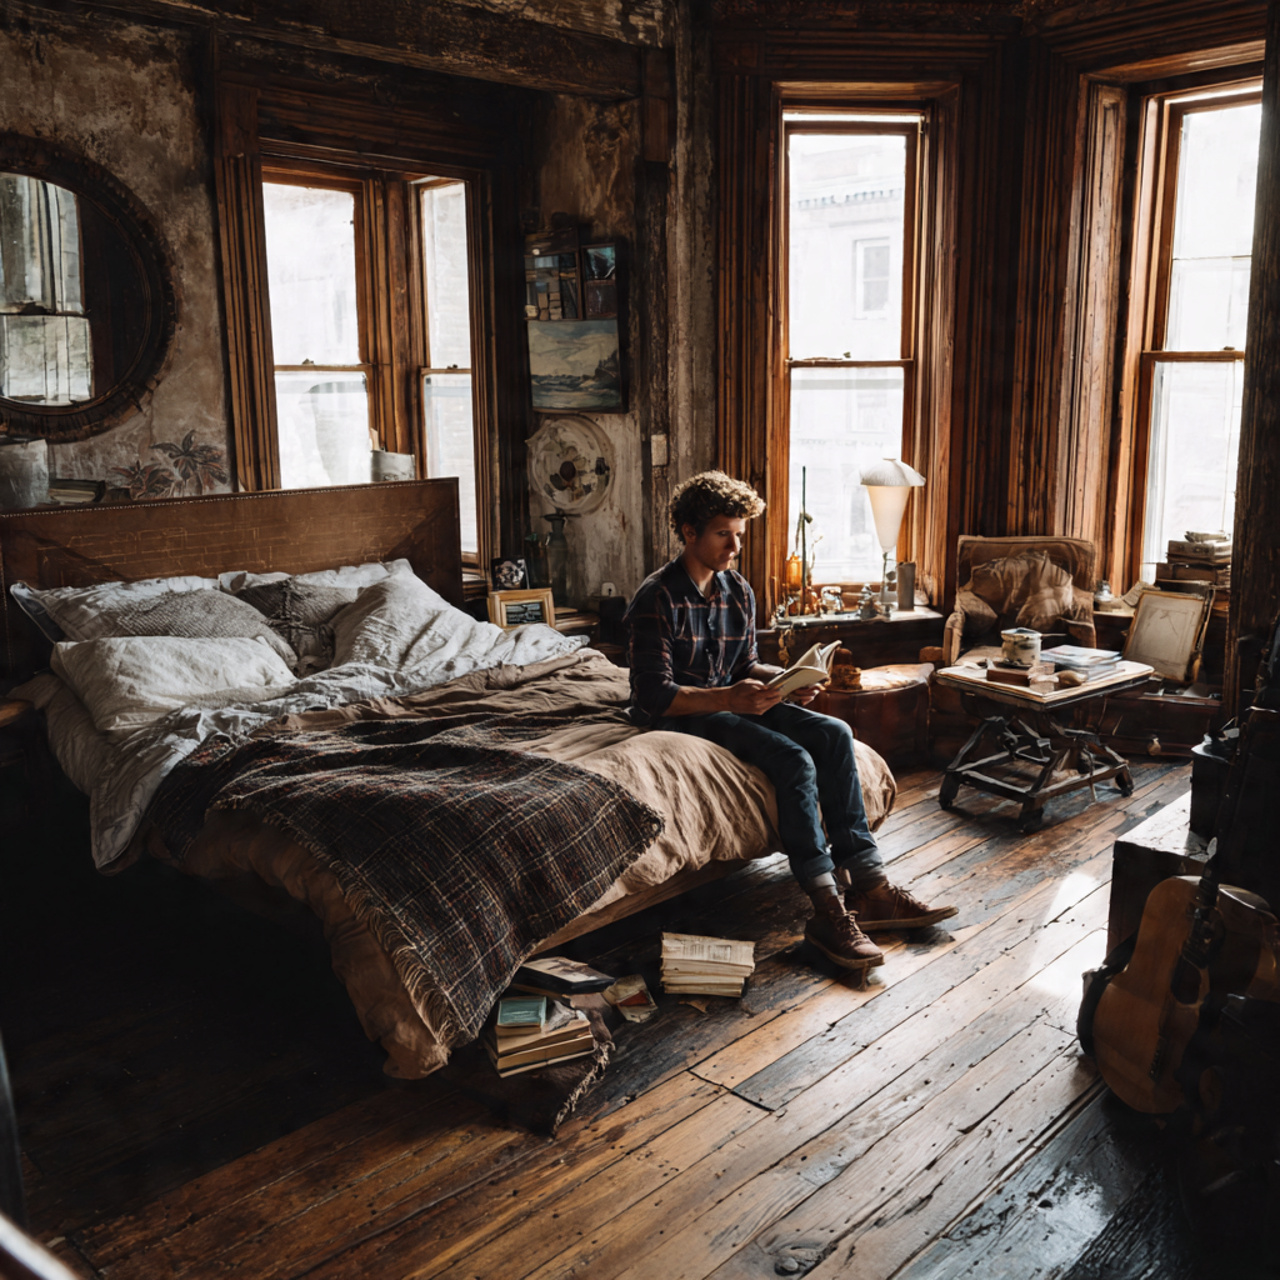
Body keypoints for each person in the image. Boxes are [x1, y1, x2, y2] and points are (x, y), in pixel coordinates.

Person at [623, 471, 956, 971]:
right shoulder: (657, 597)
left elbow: (745, 665)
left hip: (734, 700)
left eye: (740, 533)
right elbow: (652, 696)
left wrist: (789, 679)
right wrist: (731, 698)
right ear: (689, 532)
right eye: (723, 534)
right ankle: (826, 908)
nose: (736, 545)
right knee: (793, 759)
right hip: (684, 714)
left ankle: (872, 886)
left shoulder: (737, 590)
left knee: (834, 733)